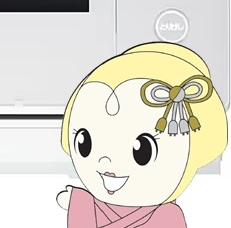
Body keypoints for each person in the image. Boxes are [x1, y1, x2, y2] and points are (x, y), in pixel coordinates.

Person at [56, 42, 227, 227]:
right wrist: (79, 202)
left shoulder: (167, 218)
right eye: (84, 143)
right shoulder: (88, 205)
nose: (106, 160)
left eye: (142, 151)